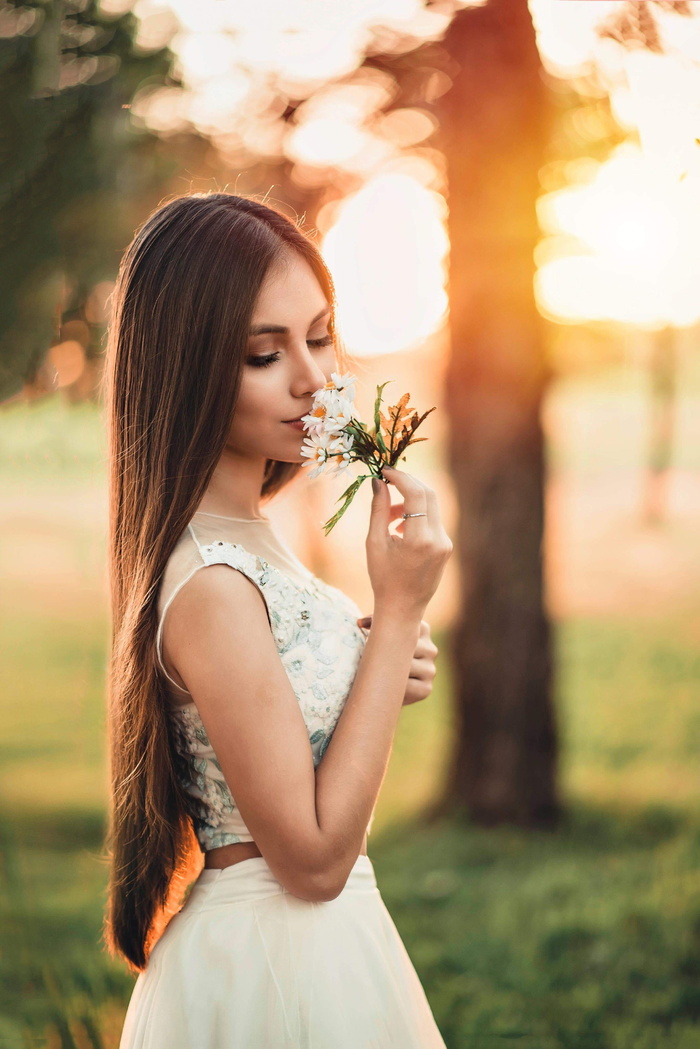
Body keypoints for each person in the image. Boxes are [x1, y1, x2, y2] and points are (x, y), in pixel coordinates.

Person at [102, 191, 453, 1048]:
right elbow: (314, 859)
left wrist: (365, 667)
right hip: (273, 960)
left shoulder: (248, 537)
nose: (315, 377)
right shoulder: (212, 581)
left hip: (316, 945)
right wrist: (400, 612)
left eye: (321, 335)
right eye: (266, 352)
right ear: (187, 366)